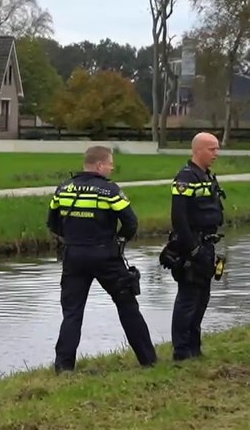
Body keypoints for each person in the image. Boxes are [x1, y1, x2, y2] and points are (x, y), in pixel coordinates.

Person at [47, 145, 158, 372]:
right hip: (105, 255)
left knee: (72, 312)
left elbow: (52, 223)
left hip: (73, 256)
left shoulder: (63, 189)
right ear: (99, 165)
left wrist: (71, 238)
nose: (112, 167)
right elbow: (131, 222)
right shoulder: (109, 190)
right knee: (127, 305)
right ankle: (148, 360)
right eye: (110, 163)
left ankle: (63, 367)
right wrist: (119, 241)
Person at [160, 131, 226, 361]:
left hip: (208, 243)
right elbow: (179, 218)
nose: (216, 153)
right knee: (188, 299)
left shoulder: (206, 176)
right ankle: (181, 351)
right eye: (212, 149)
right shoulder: (185, 178)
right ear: (198, 150)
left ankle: (194, 348)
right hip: (192, 244)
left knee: (202, 298)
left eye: (217, 149)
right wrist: (193, 250)